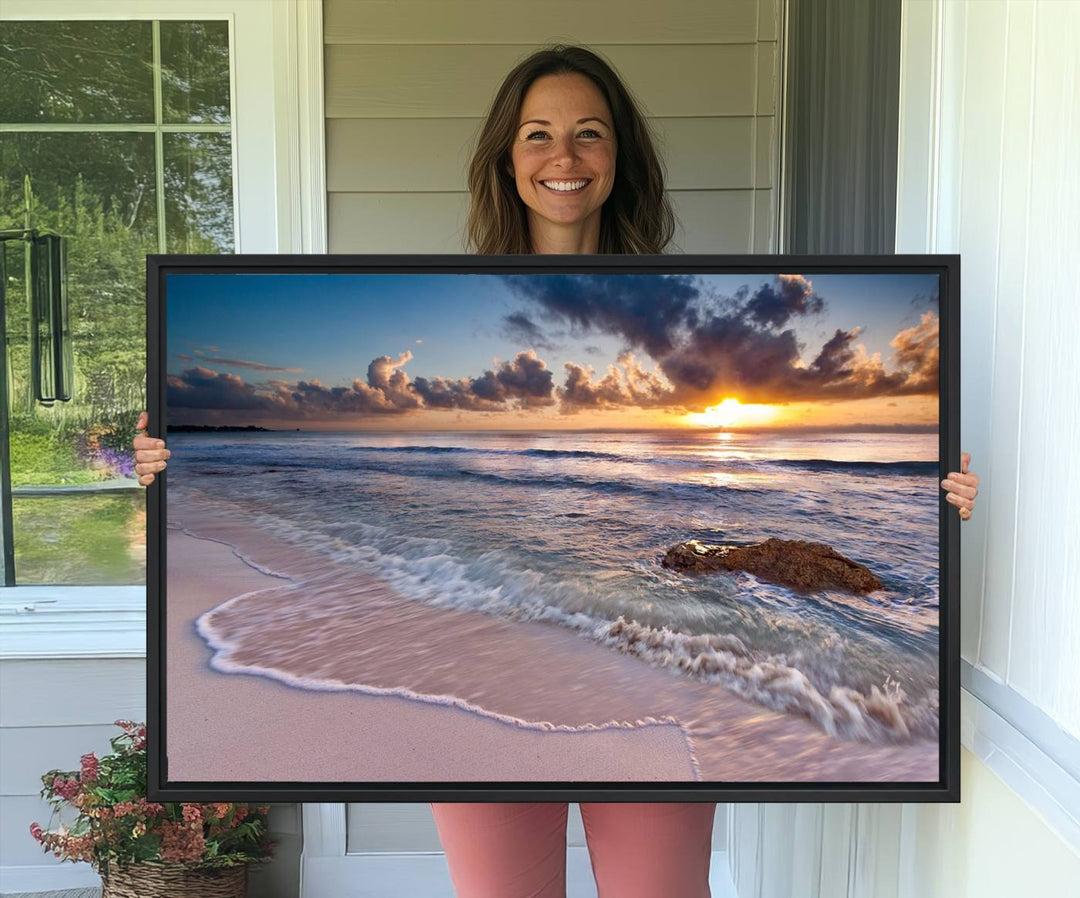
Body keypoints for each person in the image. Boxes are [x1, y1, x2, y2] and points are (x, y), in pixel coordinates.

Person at [133, 44, 980, 898]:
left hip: (650, 666)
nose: (563, 157)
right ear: (507, 158)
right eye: (538, 134)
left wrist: (944, 499)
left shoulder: (689, 290)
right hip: (473, 647)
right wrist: (165, 463)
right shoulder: (443, 290)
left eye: (589, 134)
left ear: (620, 159)